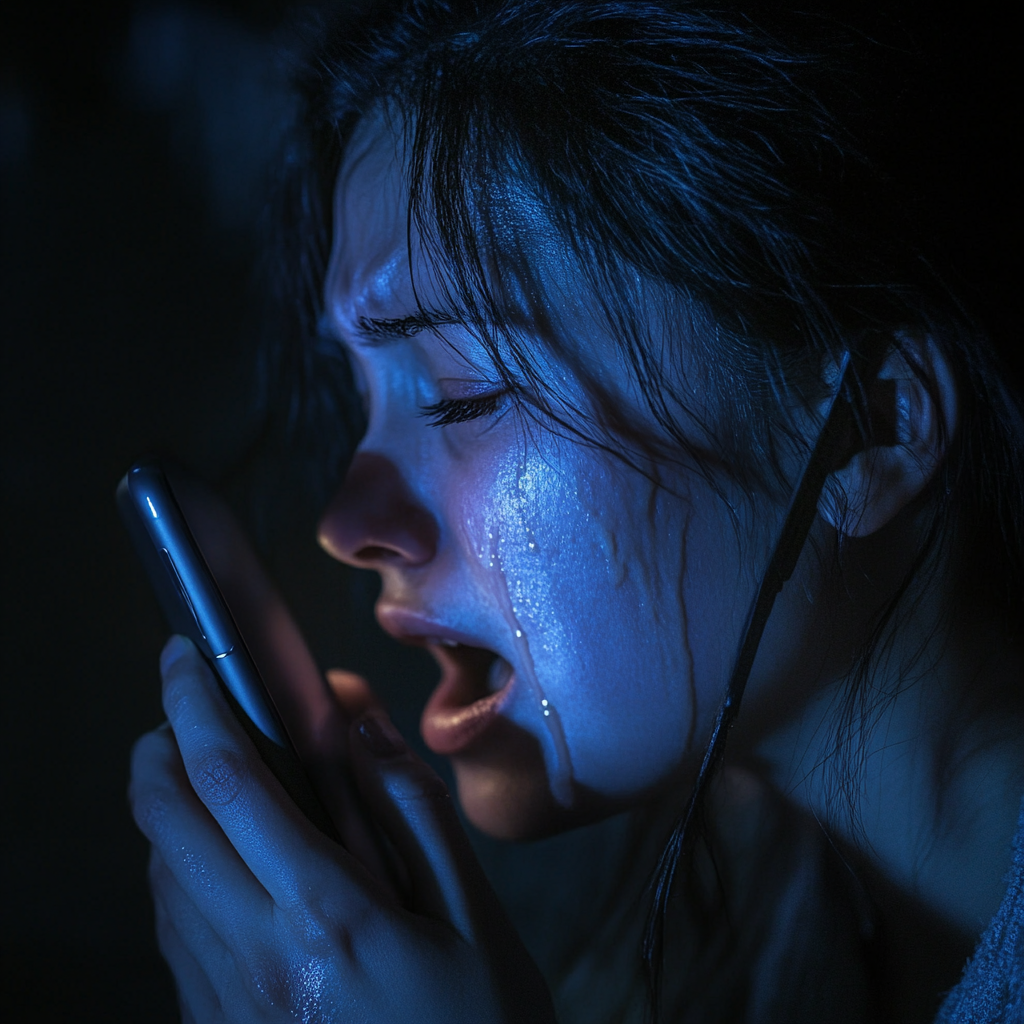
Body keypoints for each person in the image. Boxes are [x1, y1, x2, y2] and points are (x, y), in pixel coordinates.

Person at [128, 2, 1024, 1021]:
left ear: (873, 428)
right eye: (361, 398)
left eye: (464, 387)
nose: (346, 521)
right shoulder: (744, 963)